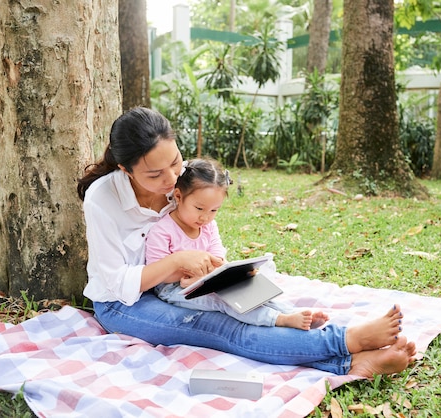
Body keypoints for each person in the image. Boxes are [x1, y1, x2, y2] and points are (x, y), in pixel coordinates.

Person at [77, 106, 417, 377]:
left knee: (250, 304)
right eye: (155, 175)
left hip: (186, 286)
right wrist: (176, 263)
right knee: (222, 327)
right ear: (125, 169)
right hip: (125, 304)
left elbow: (204, 223)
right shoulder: (102, 199)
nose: (170, 180)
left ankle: (352, 364)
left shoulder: (181, 185)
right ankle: (347, 342)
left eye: (176, 162)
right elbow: (114, 282)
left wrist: (217, 272)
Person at [145, 157, 328, 330]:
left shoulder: (208, 227)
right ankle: (279, 319)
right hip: (173, 288)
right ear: (178, 196)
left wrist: (213, 275)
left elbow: (217, 257)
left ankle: (290, 311)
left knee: (249, 288)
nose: (205, 217)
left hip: (205, 280)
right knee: (224, 300)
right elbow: (158, 273)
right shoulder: (162, 230)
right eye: (199, 208)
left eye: (214, 210)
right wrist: (191, 278)